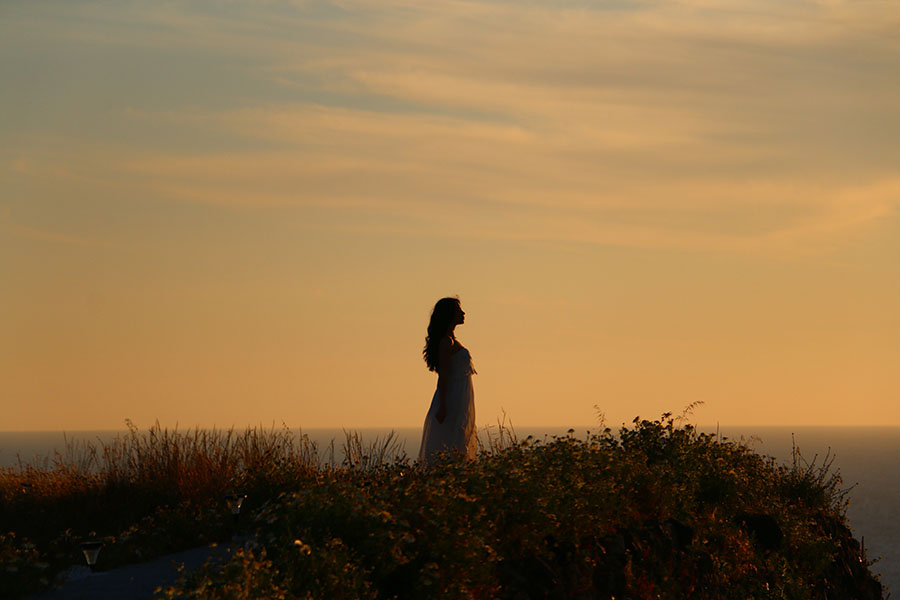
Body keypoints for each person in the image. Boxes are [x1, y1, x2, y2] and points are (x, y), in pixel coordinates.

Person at [417, 297, 477, 465]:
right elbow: (443, 376)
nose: (463, 313)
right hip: (451, 397)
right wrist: (443, 405)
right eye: (459, 310)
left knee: (457, 439)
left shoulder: (452, 339)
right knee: (449, 442)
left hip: (458, 397)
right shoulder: (446, 342)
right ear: (450, 314)